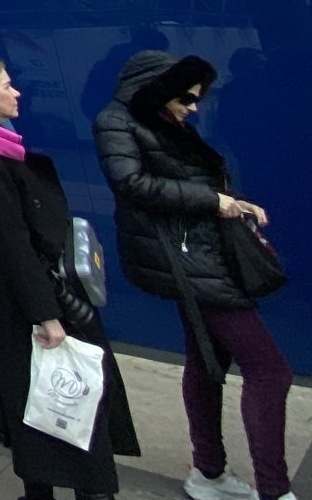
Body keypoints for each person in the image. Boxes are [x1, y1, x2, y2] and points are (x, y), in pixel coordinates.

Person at [95, 52, 293, 500]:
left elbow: (190, 179)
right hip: (186, 259)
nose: (194, 106)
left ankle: (208, 473)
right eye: (186, 97)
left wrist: (234, 202)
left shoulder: (161, 119)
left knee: (207, 362)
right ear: (156, 88)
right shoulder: (116, 120)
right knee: (269, 370)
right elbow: (131, 182)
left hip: (200, 251)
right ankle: (274, 491)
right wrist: (213, 202)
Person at [0, 55, 139, 500]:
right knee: (63, 399)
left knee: (33, 399)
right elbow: (12, 242)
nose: (17, 92)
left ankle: (43, 490)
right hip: (31, 298)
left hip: (10, 296)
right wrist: (47, 314)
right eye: (6, 85)